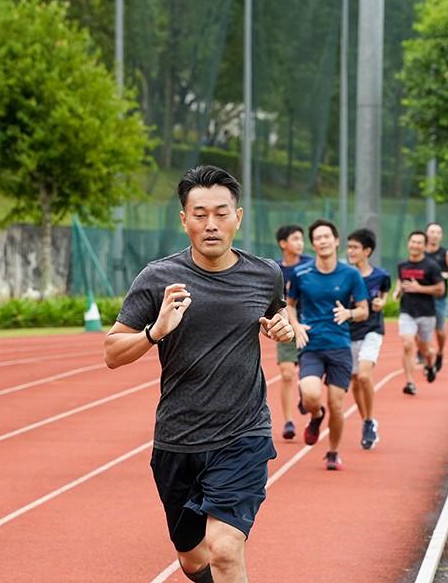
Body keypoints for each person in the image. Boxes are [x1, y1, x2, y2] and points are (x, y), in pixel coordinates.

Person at [104, 165, 294, 583]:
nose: (211, 224)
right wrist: (154, 332)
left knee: (225, 549)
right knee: (193, 560)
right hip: (178, 439)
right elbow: (112, 352)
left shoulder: (265, 274)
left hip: (242, 435)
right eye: (200, 214)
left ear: (237, 218)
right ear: (184, 219)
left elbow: (281, 318)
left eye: (221, 213)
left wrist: (284, 328)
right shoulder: (158, 278)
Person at [287, 219, 369, 470]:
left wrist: (349, 313)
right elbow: (289, 305)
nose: (322, 241)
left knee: (336, 404)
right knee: (311, 396)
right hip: (311, 345)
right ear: (313, 244)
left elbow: (364, 310)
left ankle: (333, 452)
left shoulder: (351, 274)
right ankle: (316, 415)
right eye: (317, 238)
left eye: (326, 237)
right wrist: (296, 325)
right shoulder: (301, 274)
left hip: (339, 345)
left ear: (336, 241)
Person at [345, 228, 391, 450]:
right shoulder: (344, 275)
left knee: (364, 376)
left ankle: (370, 419)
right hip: (349, 332)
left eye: (355, 247)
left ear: (367, 251)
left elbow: (384, 295)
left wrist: (382, 302)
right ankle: (367, 422)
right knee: (355, 381)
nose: (350, 251)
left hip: (372, 330)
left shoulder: (381, 276)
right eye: (349, 247)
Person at [273, 224, 313, 440]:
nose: (300, 243)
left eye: (301, 239)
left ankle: (305, 393)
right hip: (286, 326)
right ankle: (289, 421)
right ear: (283, 244)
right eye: (295, 239)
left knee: (308, 376)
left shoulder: (310, 266)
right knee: (287, 373)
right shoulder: (275, 270)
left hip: (310, 326)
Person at [393, 230, 445, 396]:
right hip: (407, 311)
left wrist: (419, 288)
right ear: (408, 244)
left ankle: (430, 364)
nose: (415, 245)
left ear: (424, 246)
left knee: (425, 350)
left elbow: (440, 289)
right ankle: (410, 382)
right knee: (407, 344)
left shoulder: (431, 266)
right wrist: (397, 291)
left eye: (419, 243)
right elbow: (400, 280)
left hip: (426, 313)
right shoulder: (402, 265)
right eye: (413, 242)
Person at [425, 222, 448, 372]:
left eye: (438, 232)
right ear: (426, 234)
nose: (434, 235)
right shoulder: (420, 252)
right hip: (423, 297)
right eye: (432, 232)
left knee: (439, 330)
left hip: (439, 298)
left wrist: (442, 275)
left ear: (441, 236)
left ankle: (440, 352)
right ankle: (424, 353)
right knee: (422, 328)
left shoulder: (446, 254)